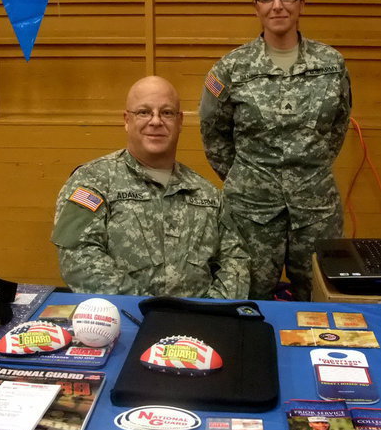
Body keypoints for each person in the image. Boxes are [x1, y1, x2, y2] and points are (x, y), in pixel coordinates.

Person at [199, 0, 352, 300]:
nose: (277, 5)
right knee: (247, 302)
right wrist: (248, 178)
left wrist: (306, 172)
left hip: (316, 211)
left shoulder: (331, 64)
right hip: (250, 213)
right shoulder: (231, 69)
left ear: (301, 3)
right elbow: (213, 133)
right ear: (256, 6)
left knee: (321, 302)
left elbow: (338, 126)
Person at [52, 76, 250, 299]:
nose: (156, 121)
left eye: (166, 113)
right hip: (126, 320)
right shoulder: (93, 182)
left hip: (198, 325)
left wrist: (211, 310)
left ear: (180, 121)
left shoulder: (207, 193)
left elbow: (236, 260)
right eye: (144, 112)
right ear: (127, 120)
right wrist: (150, 309)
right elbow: (78, 258)